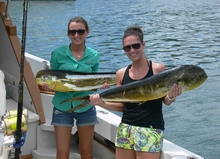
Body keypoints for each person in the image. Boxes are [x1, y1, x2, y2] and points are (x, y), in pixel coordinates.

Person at [89, 26, 182, 159]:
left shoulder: (158, 69)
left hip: (150, 129)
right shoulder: (121, 74)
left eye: (136, 46)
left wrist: (172, 96)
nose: (132, 50)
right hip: (126, 128)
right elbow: (123, 106)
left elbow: (166, 101)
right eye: (127, 48)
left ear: (143, 45)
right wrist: (101, 103)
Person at [42, 16, 109, 159]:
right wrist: (49, 87)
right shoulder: (57, 54)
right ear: (68, 34)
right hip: (62, 106)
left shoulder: (94, 55)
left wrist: (101, 86)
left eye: (80, 31)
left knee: (86, 151)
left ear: (87, 32)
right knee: (62, 153)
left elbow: (94, 81)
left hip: (86, 105)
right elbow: (55, 79)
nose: (76, 35)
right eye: (73, 32)